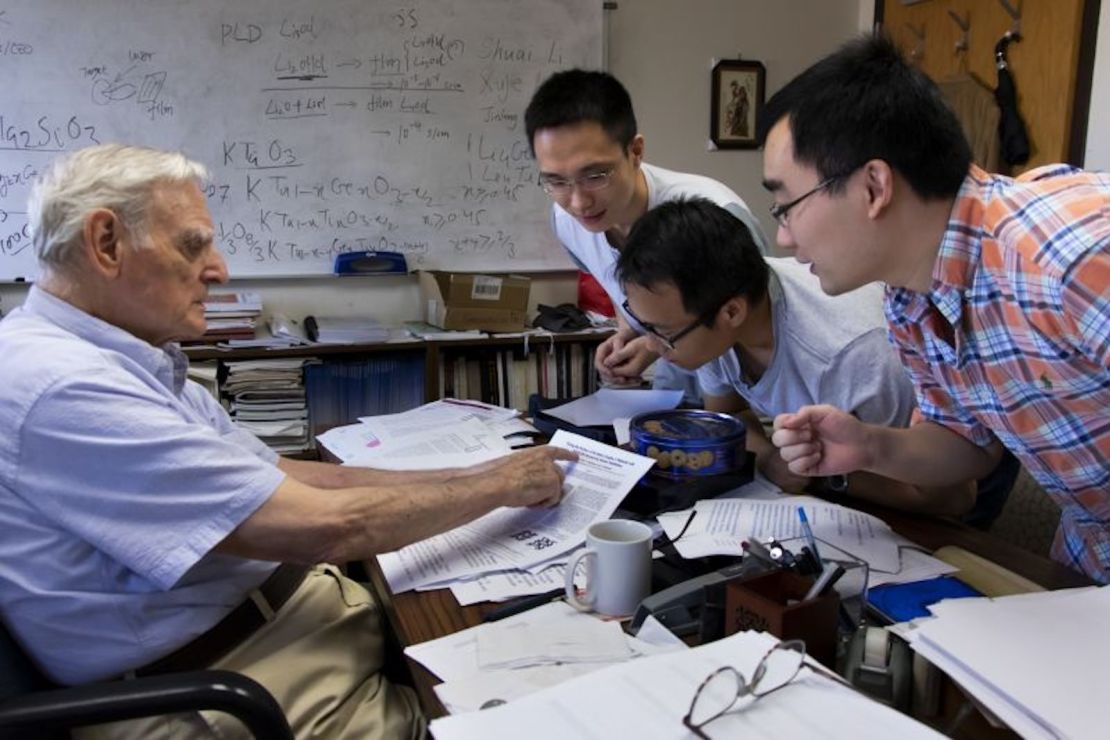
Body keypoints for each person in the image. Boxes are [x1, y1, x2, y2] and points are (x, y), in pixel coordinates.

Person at [0, 143, 576, 739]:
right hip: (222, 690)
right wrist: (499, 485)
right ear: (106, 244)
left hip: (280, 642)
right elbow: (326, 526)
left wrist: (481, 474)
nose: (219, 269)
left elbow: (284, 475)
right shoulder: (63, 386)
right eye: (194, 245)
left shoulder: (124, 358)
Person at [758, 34, 1110, 582]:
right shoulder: (911, 298)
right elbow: (966, 445)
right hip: (1087, 565)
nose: (782, 237)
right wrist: (868, 446)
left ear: (874, 186)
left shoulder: (1067, 254)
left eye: (787, 206)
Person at [616, 197, 983, 517]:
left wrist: (825, 474)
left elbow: (951, 497)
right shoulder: (714, 317)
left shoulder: (854, 355)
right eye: (643, 326)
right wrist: (773, 461)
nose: (651, 347)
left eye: (661, 333)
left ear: (731, 313)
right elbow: (730, 419)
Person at [524, 69, 770, 400]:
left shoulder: (716, 215)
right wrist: (630, 333)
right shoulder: (567, 221)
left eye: (595, 175)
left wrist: (654, 344)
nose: (579, 202)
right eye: (556, 181)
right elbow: (612, 279)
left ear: (636, 151)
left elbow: (750, 320)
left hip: (743, 380)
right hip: (673, 368)